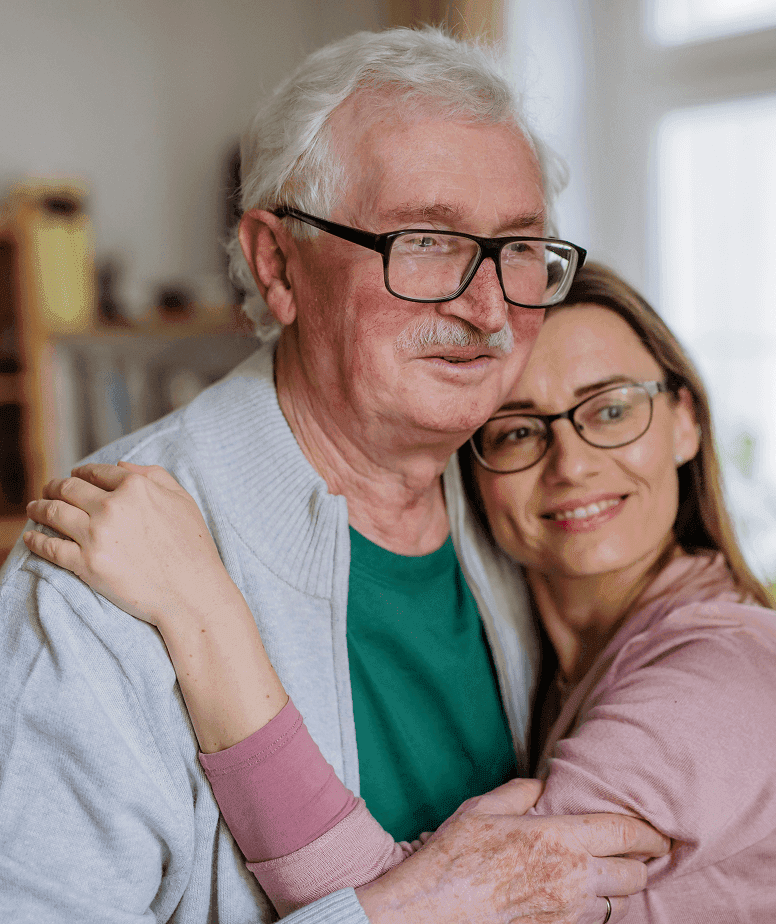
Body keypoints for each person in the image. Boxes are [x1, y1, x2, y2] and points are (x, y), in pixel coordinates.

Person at [0, 27, 670, 924]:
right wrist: (410, 912)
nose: (486, 309)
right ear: (279, 266)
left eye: (517, 247)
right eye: (426, 242)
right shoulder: (97, 574)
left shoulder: (526, 500)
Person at [26, 263, 776, 922]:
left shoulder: (727, 676)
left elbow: (458, 910)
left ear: (686, 420)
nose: (571, 464)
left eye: (611, 411)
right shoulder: (562, 660)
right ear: (477, 471)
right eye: (520, 430)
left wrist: (205, 617)